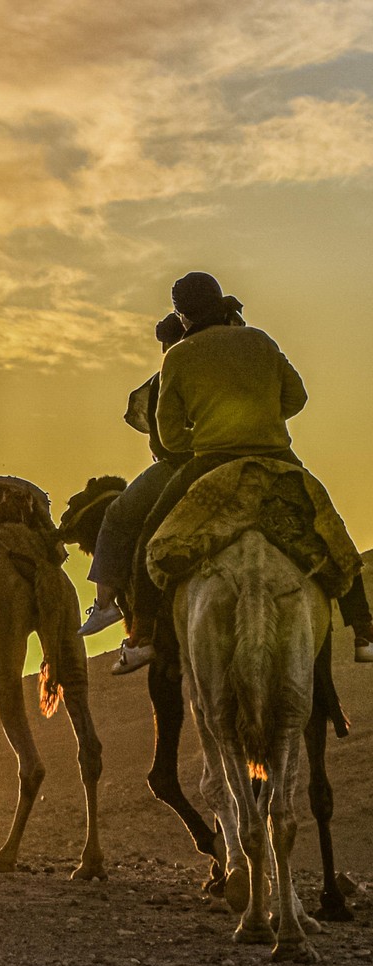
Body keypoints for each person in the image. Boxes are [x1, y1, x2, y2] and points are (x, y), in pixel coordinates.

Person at [114, 272, 373, 673]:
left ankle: (141, 638)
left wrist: (205, 440)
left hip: (210, 462)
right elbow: (297, 397)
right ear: (219, 302)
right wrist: (263, 422)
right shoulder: (260, 340)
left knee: (151, 537)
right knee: (330, 528)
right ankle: (365, 631)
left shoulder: (178, 356)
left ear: (182, 315)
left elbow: (167, 434)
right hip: (278, 458)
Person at [77, 313, 191, 635]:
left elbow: (165, 438)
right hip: (246, 455)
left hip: (180, 465)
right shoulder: (229, 366)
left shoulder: (166, 377)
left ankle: (105, 605)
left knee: (118, 515)